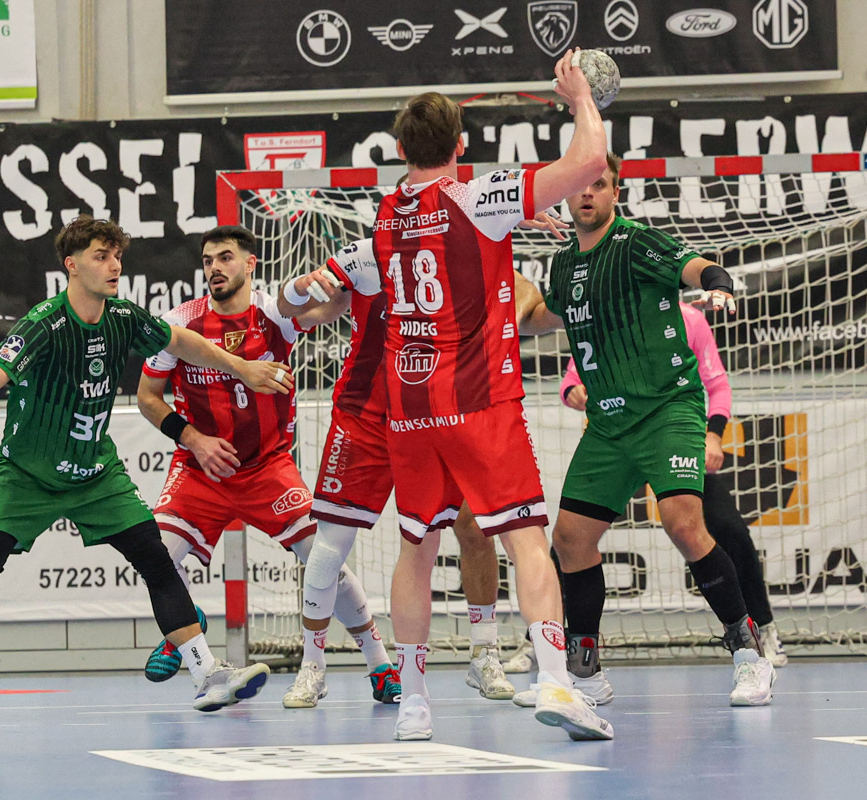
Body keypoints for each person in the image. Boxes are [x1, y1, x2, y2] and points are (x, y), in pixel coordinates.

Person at [302, 51, 614, 742]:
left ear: (399, 150)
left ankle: (414, 703)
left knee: (416, 548)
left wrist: (514, 221)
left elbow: (388, 263)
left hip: (410, 411)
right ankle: (555, 681)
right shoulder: (479, 197)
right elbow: (589, 160)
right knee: (527, 541)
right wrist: (580, 99)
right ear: (462, 144)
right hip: (479, 402)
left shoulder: (386, 216)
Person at [0, 216, 284, 723]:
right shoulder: (44, 322)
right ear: (72, 265)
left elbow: (181, 341)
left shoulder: (123, 317)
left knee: (156, 560)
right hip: (25, 475)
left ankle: (208, 674)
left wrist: (241, 367)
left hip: (95, 474)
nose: (114, 266)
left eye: (118, 257)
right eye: (101, 257)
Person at [519, 153, 776, 707]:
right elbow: (544, 316)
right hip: (608, 423)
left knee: (683, 523)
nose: (588, 193)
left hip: (667, 409)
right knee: (570, 540)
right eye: (579, 186)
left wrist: (717, 281)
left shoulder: (636, 242)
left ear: (616, 192)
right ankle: (585, 672)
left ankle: (750, 655)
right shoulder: (562, 264)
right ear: (566, 196)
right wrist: (504, 303)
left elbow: (693, 266)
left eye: (599, 184)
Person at [280, 241, 560, 708]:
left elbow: (522, 291)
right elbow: (300, 311)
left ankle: (484, 653)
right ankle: (313, 667)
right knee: (330, 549)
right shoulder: (364, 257)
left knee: (473, 529)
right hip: (366, 418)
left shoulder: (455, 249)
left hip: (437, 413)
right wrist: (297, 289)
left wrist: (517, 314)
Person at [135, 225, 399, 703]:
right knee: (154, 557)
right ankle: (186, 628)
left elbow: (333, 307)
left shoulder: (273, 314)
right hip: (201, 469)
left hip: (267, 467)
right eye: (208, 260)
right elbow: (147, 397)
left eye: (225, 257)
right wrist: (194, 439)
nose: (215, 268)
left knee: (324, 559)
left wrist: (346, 277)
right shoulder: (179, 322)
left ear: (250, 263)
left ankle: (379, 664)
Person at [557, 302, 789, 671]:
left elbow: (717, 385)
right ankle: (549, 641)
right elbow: (572, 378)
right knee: (570, 539)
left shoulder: (689, 319)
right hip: (618, 439)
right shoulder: (602, 310)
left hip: (671, 435)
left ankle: (760, 629)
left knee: (725, 528)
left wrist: (713, 436)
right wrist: (572, 391)